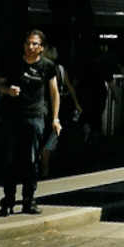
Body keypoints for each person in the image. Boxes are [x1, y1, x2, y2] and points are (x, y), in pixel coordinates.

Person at [0, 30, 61, 216]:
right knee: (10, 160)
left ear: (41, 48)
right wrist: (8, 90)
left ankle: (28, 200)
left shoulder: (48, 66)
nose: (30, 47)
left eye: (34, 44)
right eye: (28, 43)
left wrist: (55, 118)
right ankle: (8, 200)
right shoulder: (12, 63)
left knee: (31, 160)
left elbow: (54, 93)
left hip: (35, 116)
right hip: (12, 117)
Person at [39, 46, 82, 179]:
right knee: (50, 141)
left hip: (43, 108)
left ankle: (40, 168)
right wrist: (76, 104)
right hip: (58, 109)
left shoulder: (41, 68)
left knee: (41, 140)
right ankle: (45, 169)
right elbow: (70, 87)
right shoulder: (62, 69)